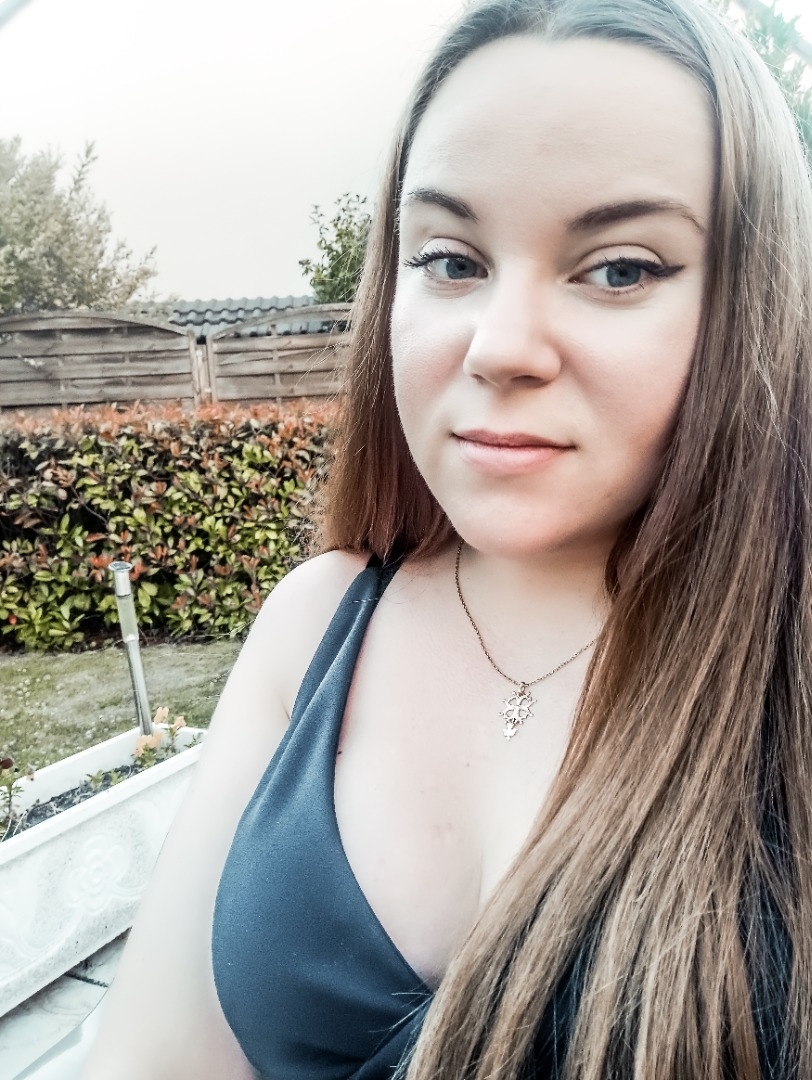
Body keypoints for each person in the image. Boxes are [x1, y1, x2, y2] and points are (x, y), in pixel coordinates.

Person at [80, 0, 812, 1077]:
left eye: (619, 268)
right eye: (450, 260)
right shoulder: (315, 625)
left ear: (756, 302)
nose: (498, 347)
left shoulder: (787, 664)